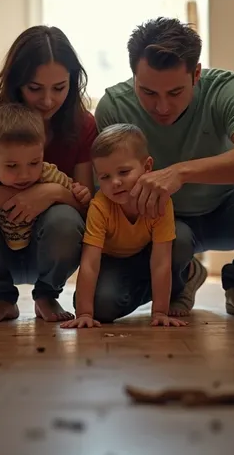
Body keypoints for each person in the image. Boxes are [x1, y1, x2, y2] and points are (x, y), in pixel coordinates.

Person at [94, 17, 234, 322]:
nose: (162, 107)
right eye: (148, 93)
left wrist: (181, 172)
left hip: (228, 212)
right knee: (103, 305)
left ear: (196, 75)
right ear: (133, 76)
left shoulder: (225, 88)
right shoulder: (113, 105)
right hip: (161, 225)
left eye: (175, 93)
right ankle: (185, 275)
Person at [0, 25, 97, 324]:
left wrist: (51, 192)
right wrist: (21, 197)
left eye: (60, 88)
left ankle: (47, 294)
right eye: (35, 88)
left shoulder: (82, 123)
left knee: (66, 220)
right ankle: (1, 299)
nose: (48, 101)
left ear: (73, 81)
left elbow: (87, 206)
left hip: (51, 245)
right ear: (17, 82)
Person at [61, 124, 188, 329]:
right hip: (113, 261)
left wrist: (160, 313)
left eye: (124, 172)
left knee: (181, 240)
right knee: (101, 307)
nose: (116, 182)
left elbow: (161, 262)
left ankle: (186, 278)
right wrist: (84, 313)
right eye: (105, 177)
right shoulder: (100, 206)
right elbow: (90, 263)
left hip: (146, 255)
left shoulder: (159, 201)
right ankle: (136, 290)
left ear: (147, 167)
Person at [0, 103, 91, 252]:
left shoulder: (48, 174)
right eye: (12, 166)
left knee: (65, 218)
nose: (25, 175)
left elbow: (80, 203)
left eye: (34, 163)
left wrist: (81, 194)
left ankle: (48, 276)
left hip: (39, 252)